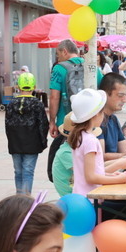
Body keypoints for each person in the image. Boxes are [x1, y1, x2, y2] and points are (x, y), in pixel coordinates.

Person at [67, 88, 126, 197]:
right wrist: (118, 179)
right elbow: (91, 177)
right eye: (102, 112)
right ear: (95, 114)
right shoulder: (90, 140)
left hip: (83, 195)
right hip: (92, 198)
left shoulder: (80, 137)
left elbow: (90, 172)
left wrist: (110, 175)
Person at [3, 72, 48, 195]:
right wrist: (43, 142)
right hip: (32, 143)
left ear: (18, 87)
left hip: (15, 143)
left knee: (18, 171)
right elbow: (43, 125)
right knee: (28, 171)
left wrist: (10, 141)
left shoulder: (11, 104)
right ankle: (26, 199)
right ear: (34, 87)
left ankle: (19, 197)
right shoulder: (37, 104)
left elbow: (7, 125)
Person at [46, 39, 83, 179]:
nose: (58, 57)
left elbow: (54, 97)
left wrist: (52, 121)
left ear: (65, 51)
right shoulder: (92, 67)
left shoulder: (59, 68)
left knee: (66, 159)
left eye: (58, 54)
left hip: (65, 122)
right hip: (89, 122)